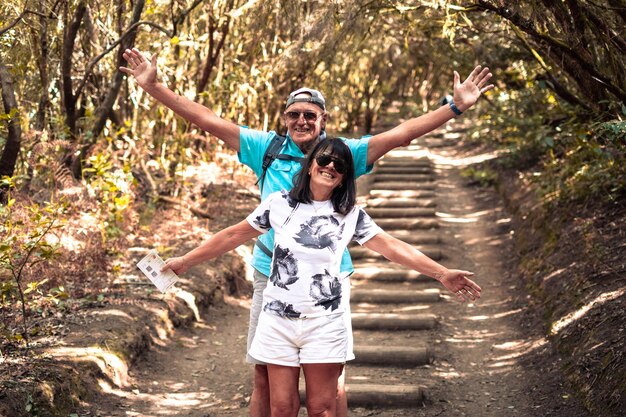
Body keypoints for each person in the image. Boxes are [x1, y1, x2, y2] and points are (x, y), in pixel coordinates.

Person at [119, 48, 494, 417]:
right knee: (264, 378)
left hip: (328, 279)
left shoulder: (343, 154)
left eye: (310, 115)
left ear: (323, 119)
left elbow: (399, 135)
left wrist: (454, 108)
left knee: (331, 388)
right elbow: (207, 121)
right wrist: (155, 88)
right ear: (284, 118)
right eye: (295, 114)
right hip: (272, 275)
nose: (302, 121)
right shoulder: (266, 150)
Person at [162, 138, 482, 417]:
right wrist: (186, 261)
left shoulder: (350, 215)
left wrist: (441, 273)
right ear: (311, 163)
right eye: (324, 158)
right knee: (282, 409)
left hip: (324, 325)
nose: (330, 166)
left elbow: (392, 247)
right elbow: (233, 235)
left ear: (344, 176)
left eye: (340, 164)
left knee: (321, 409)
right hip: (277, 321)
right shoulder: (278, 204)